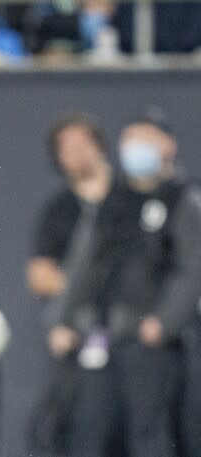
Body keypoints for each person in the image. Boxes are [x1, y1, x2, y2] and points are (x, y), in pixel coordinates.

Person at [51, 109, 201, 457]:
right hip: (101, 337)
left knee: (149, 434)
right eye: (131, 140)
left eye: (147, 140)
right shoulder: (111, 200)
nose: (137, 148)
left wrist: (164, 322)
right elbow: (82, 264)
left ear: (169, 145)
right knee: (90, 433)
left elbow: (192, 267)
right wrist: (63, 320)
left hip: (150, 343)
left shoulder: (183, 200)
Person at [25, 112, 113, 455]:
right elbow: (40, 276)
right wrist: (82, 294)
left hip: (128, 334)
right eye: (67, 147)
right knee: (63, 428)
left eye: (82, 144)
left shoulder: (127, 200)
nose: (76, 153)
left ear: (100, 146)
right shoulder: (59, 210)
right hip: (77, 336)